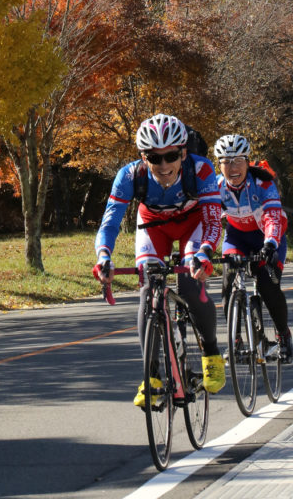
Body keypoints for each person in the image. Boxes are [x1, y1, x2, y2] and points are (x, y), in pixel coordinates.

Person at [93, 113, 226, 406]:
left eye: (171, 156)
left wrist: (204, 253)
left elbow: (213, 219)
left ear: (183, 152)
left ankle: (212, 354)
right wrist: (104, 256)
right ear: (143, 156)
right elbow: (110, 223)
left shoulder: (201, 169)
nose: (164, 165)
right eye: (155, 158)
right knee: (148, 287)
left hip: (193, 226)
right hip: (153, 227)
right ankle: (151, 375)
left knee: (190, 284)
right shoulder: (128, 175)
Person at [214, 134, 293, 363]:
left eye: (238, 160)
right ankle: (235, 341)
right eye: (226, 161)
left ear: (247, 161)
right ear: (219, 165)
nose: (232, 167)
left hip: (268, 237)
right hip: (237, 237)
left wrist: (270, 243)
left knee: (268, 287)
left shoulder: (262, 182)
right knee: (229, 284)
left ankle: (283, 337)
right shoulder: (217, 187)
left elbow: (272, 217)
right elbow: (208, 219)